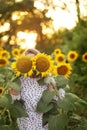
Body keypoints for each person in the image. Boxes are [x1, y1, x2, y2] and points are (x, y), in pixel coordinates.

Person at [10, 49, 49, 130]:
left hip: (43, 121)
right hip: (26, 121)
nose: (32, 64)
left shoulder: (47, 79)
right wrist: (14, 94)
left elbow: (57, 100)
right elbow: (14, 102)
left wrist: (52, 90)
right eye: (28, 61)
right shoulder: (19, 80)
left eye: (34, 61)